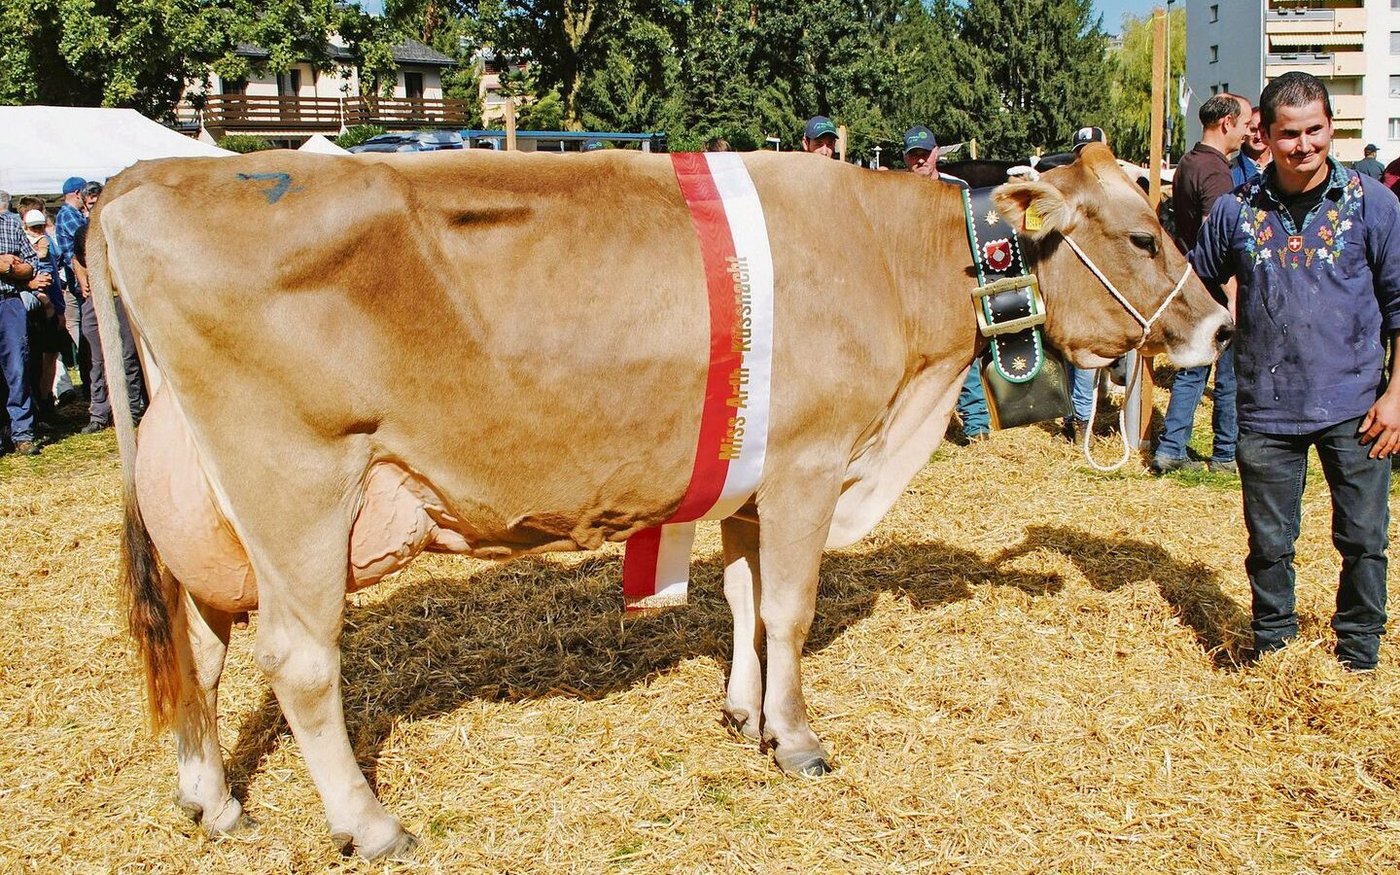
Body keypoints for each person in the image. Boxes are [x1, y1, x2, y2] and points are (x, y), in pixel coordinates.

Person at [1191, 72, 1400, 671]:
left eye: (1315, 130)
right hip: (1267, 407)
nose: (1303, 145)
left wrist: (1395, 398)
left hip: (1358, 407)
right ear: (1265, 135)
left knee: (1363, 542)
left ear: (1332, 128)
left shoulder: (1373, 204)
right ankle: (1275, 653)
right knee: (1270, 546)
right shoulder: (1235, 210)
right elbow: (1193, 285)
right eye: (1289, 134)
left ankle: (1358, 656)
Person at [1152, 93, 1251, 474]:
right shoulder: (1215, 171)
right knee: (1227, 376)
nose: (1246, 133)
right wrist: (1234, 296)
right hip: (1216, 290)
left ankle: (1171, 449)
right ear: (1226, 123)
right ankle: (1225, 456)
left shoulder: (1190, 161)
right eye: (1243, 125)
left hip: (1195, 284)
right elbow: (1219, 234)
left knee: (1191, 370)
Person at [905, 125, 989, 441]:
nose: (920, 161)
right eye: (914, 155)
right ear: (906, 157)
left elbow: (976, 233)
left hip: (952, 286)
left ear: (936, 153)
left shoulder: (960, 189)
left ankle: (977, 425)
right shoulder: (897, 190)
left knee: (961, 355)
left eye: (925, 154)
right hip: (913, 287)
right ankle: (915, 430)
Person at [73, 189, 146, 434]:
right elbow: (76, 258)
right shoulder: (84, 232)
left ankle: (131, 411)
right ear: (84, 204)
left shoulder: (120, 229)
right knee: (97, 359)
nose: (95, 207)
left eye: (98, 202)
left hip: (119, 298)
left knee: (127, 357)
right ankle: (99, 413)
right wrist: (83, 277)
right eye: (91, 203)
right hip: (96, 300)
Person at [1063, 126, 1111, 443]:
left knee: (1081, 353)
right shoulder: (1076, 189)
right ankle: (1079, 420)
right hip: (1081, 282)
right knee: (1081, 352)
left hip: (1101, 280)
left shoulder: (1109, 188)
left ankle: (1076, 416)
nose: (1088, 156)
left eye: (1093, 149)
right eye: (1084, 151)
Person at [0, 209, 49, 455]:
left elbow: (31, 265)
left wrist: (11, 269)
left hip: (9, 302)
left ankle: (22, 434)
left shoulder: (9, 223)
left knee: (18, 367)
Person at [1231, 107, 1272, 187]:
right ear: (1243, 133)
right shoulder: (1230, 172)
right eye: (1253, 130)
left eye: (1263, 130)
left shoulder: (1286, 167)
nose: (1258, 136)